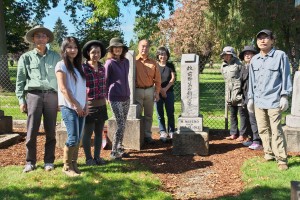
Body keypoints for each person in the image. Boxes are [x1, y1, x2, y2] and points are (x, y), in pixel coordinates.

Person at [15, 25, 60, 173]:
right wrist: (22, 100)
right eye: (37, 36)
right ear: (33, 39)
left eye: (43, 36)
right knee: (31, 130)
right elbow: (20, 81)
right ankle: (30, 162)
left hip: (52, 96)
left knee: (51, 130)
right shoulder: (26, 58)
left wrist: (60, 99)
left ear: (47, 39)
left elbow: (61, 80)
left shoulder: (56, 57)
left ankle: (49, 161)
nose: (41, 38)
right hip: (33, 95)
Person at [248, 29, 292, 170]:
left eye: (266, 38)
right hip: (259, 101)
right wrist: (251, 98)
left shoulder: (280, 56)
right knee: (262, 129)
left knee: (276, 130)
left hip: (274, 100)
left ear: (272, 40)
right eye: (259, 38)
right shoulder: (254, 59)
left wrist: (284, 95)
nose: (262, 40)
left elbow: (286, 76)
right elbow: (251, 81)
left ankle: (281, 159)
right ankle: (268, 153)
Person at [55, 37, 87, 177]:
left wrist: (84, 105)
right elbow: (63, 88)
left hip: (81, 107)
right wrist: (76, 104)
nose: (73, 50)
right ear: (64, 49)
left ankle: (74, 163)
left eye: (75, 47)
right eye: (69, 47)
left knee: (79, 138)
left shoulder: (79, 67)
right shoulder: (61, 65)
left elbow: (82, 89)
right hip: (69, 106)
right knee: (73, 137)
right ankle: (67, 167)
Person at [82, 40, 108, 165]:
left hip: (101, 104)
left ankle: (97, 157)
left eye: (98, 52)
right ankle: (88, 158)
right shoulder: (83, 68)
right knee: (87, 133)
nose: (96, 55)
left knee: (99, 132)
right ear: (88, 53)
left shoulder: (103, 67)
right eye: (93, 52)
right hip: (89, 105)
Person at [105, 38, 130, 160]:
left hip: (126, 96)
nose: (117, 49)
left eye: (119, 47)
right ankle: (113, 151)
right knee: (120, 124)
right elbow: (105, 81)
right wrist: (106, 96)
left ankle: (120, 146)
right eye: (115, 47)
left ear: (123, 49)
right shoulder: (109, 63)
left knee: (123, 124)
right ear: (111, 49)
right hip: (114, 97)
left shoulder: (126, 62)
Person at [220, 46, 250, 142]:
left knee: (242, 114)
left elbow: (243, 78)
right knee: (232, 114)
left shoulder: (239, 64)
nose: (226, 56)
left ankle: (243, 134)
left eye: (228, 55)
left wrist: (241, 91)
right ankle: (233, 133)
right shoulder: (223, 66)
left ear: (232, 55)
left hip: (239, 93)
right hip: (229, 94)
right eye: (225, 55)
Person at [135, 39, 161, 144]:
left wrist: (157, 92)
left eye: (146, 46)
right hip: (137, 91)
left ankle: (147, 136)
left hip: (150, 90)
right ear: (138, 47)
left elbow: (158, 79)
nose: (144, 48)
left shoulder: (153, 62)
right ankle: (138, 136)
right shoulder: (133, 61)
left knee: (149, 115)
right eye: (142, 46)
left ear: (149, 48)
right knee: (136, 115)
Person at [239, 46, 263, 150]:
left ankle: (258, 141)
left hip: (254, 97)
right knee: (247, 119)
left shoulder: (257, 66)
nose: (248, 55)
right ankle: (251, 138)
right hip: (245, 96)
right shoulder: (244, 67)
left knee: (254, 119)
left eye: (250, 53)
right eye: (245, 54)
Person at [154, 46, 176, 142]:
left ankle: (171, 131)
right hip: (157, 93)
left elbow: (172, 79)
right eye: (161, 54)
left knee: (170, 113)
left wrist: (165, 90)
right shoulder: (155, 65)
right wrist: (160, 91)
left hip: (169, 93)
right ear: (158, 55)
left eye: (165, 54)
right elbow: (153, 79)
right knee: (160, 114)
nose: (163, 56)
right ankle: (163, 131)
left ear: (167, 56)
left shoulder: (170, 66)